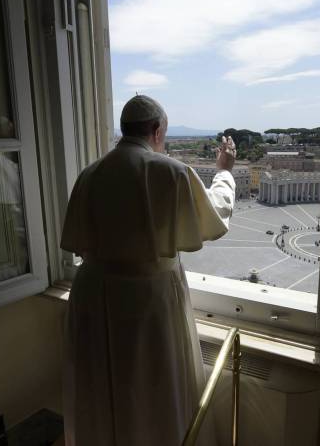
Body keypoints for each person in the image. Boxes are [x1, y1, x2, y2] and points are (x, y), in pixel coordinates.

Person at [60, 95, 236, 445]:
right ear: (157, 131)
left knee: (100, 387)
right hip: (147, 302)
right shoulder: (169, 172)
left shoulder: (89, 175)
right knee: (153, 390)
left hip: (92, 296)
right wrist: (224, 172)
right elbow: (215, 215)